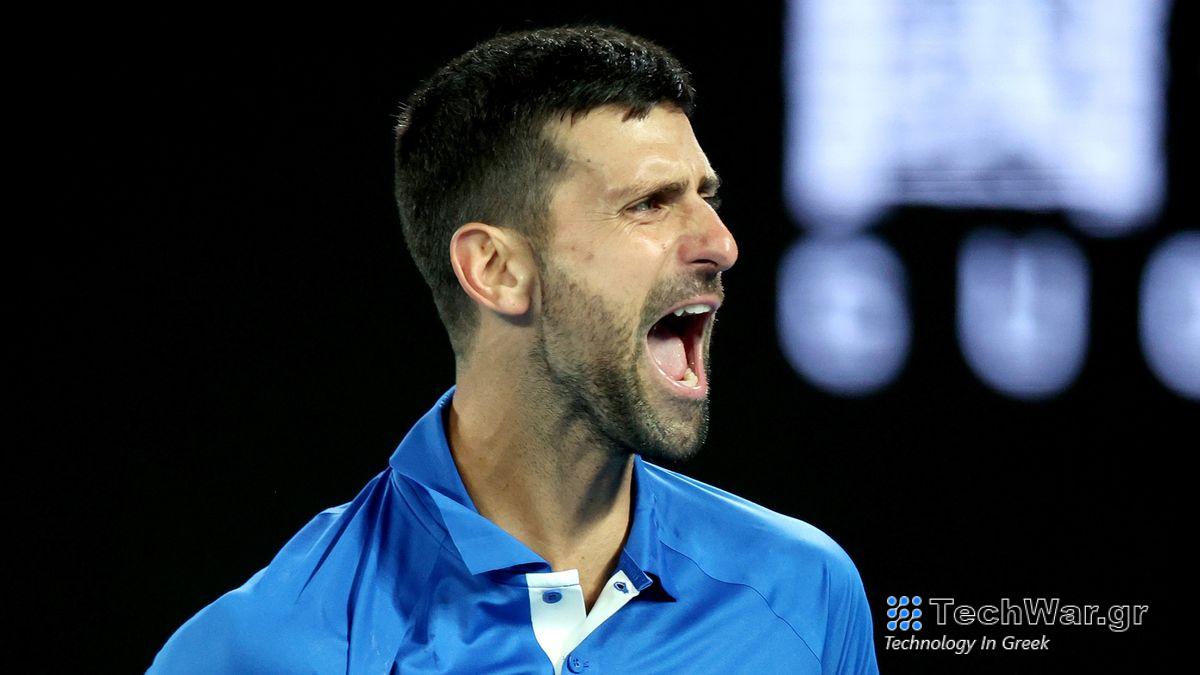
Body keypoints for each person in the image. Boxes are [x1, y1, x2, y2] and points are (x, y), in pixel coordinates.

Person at [149, 25, 879, 674]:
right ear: (497, 270)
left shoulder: (807, 592)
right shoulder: (262, 651)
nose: (721, 244)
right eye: (649, 203)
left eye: (706, 195)